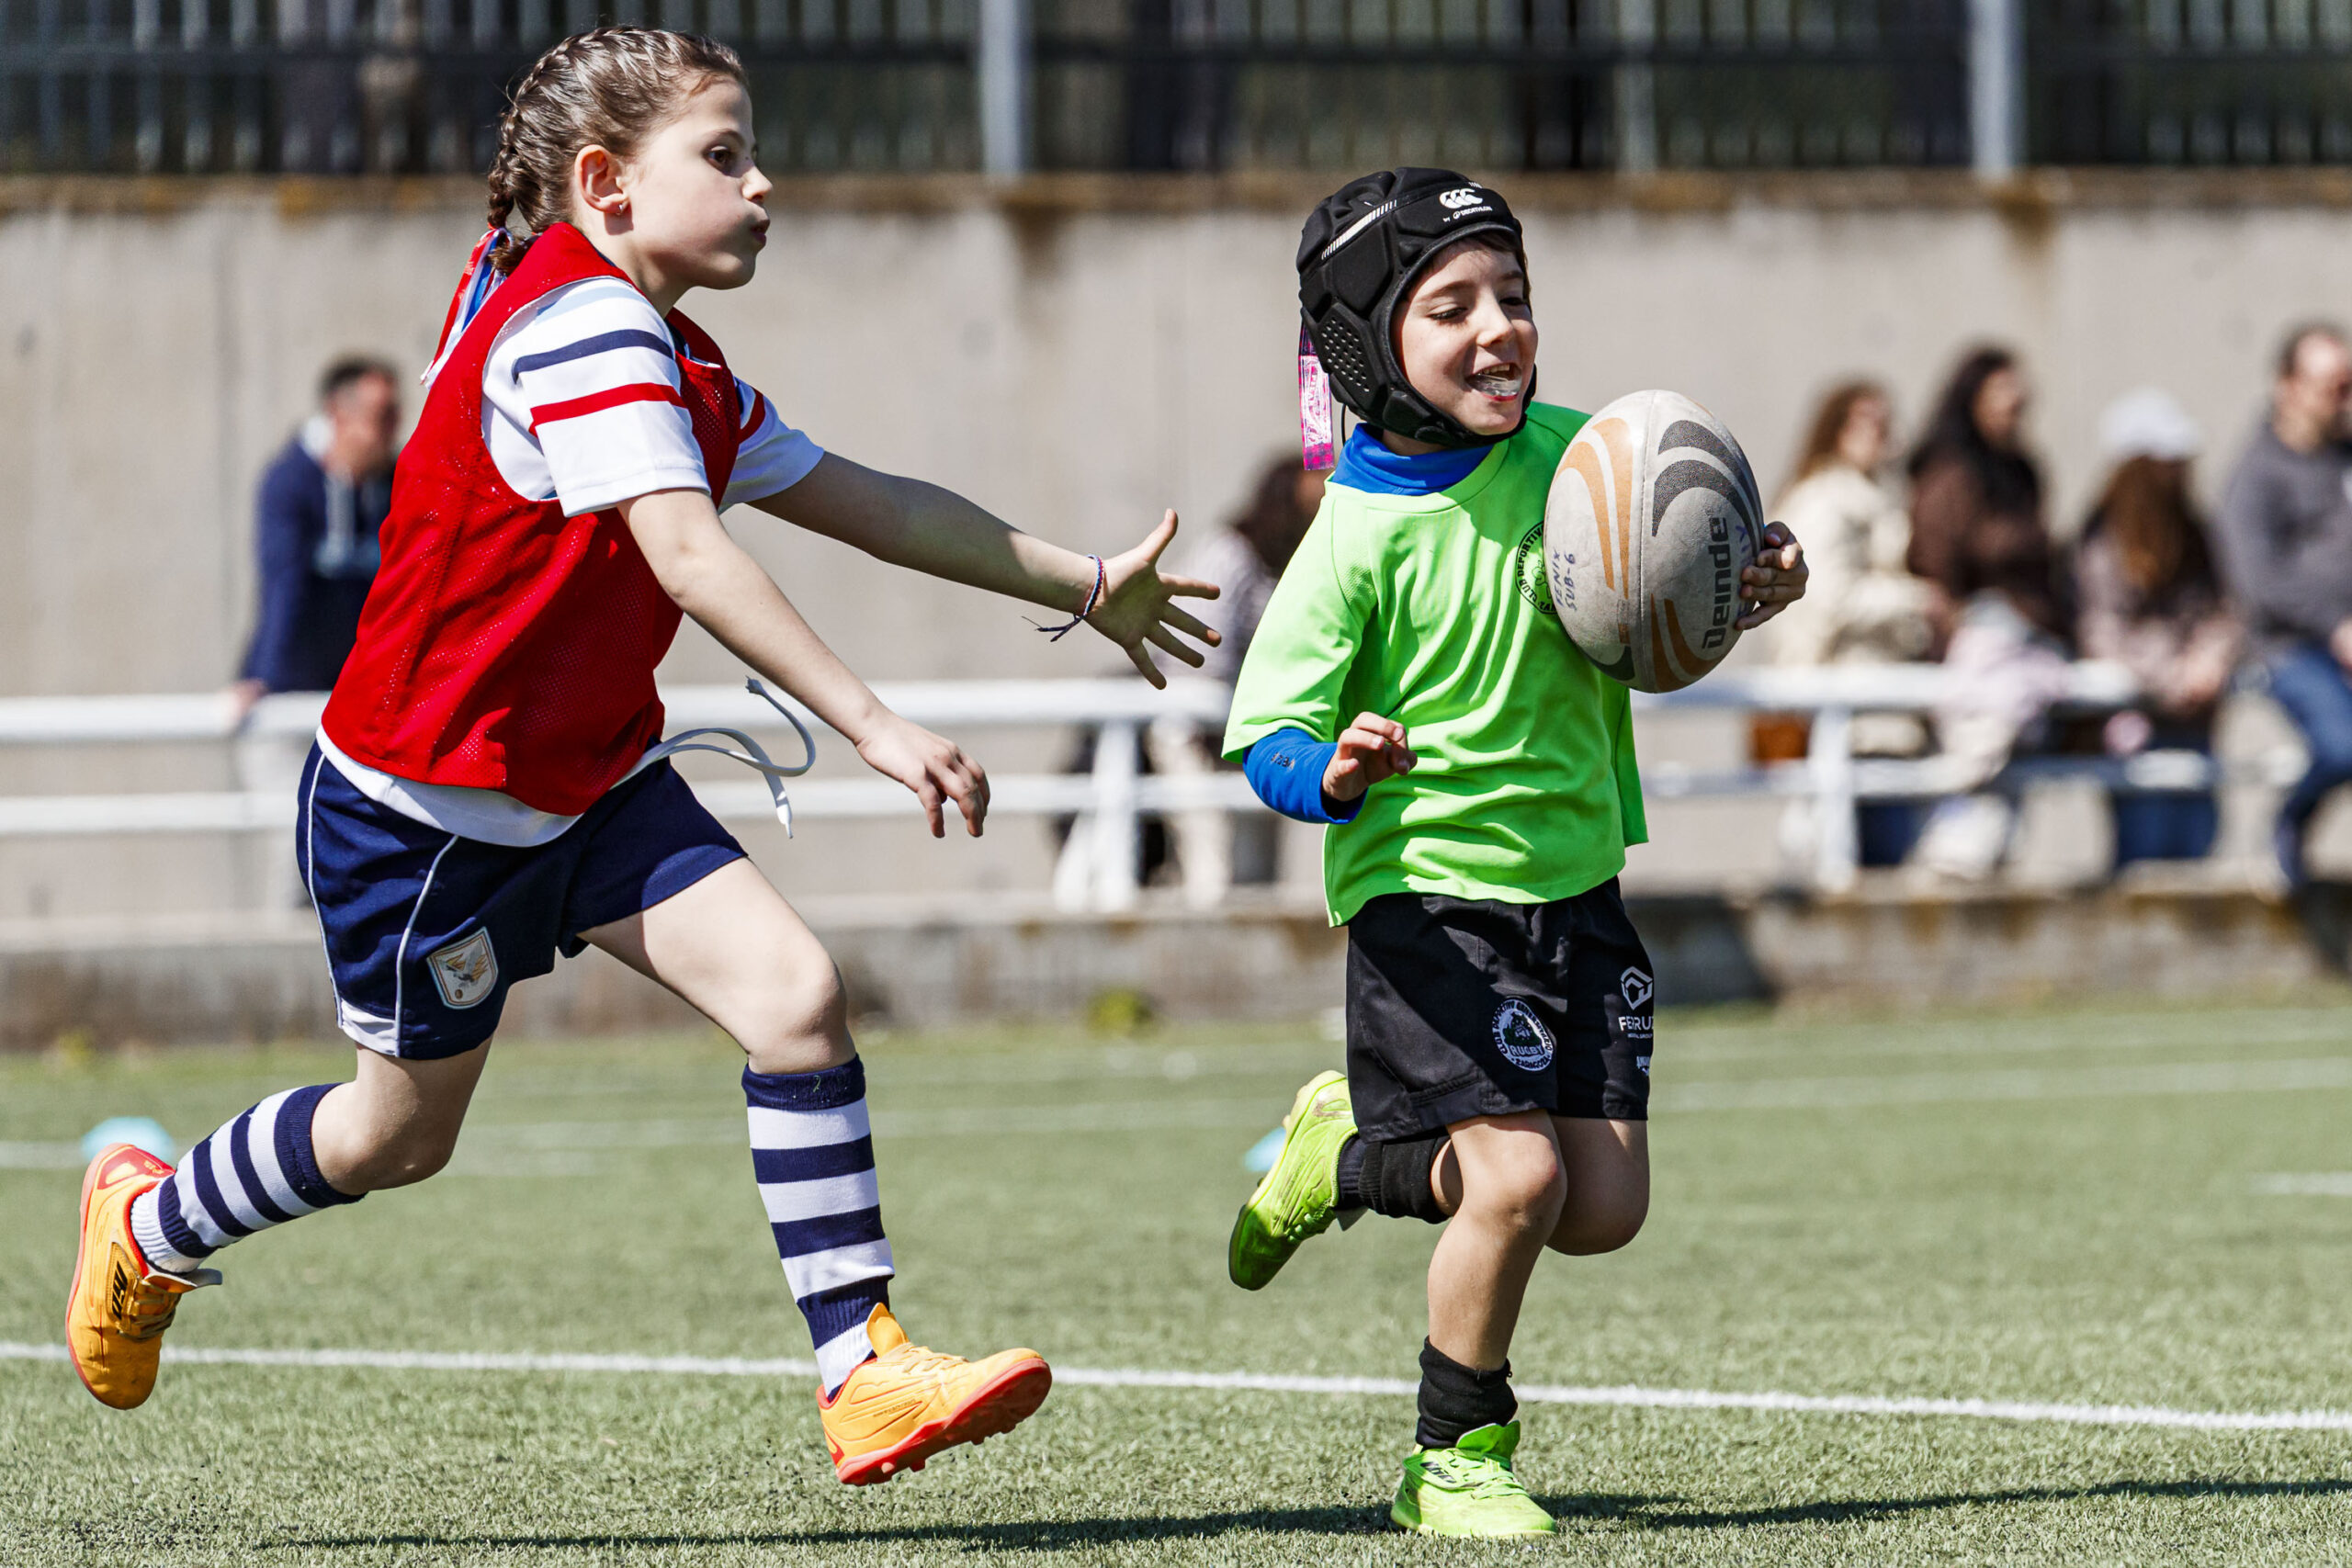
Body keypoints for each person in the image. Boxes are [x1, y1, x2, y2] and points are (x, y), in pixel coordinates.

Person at [66, 27, 1220, 1490]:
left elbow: (862, 497)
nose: (765, 186)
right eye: (725, 157)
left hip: (594, 780)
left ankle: (861, 1368)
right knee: (392, 1136)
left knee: (796, 993)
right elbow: (685, 550)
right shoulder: (585, 328)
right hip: (427, 819)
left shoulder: (656, 342)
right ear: (604, 185)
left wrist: (1080, 579)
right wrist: (874, 721)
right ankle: (149, 1226)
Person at [1217, 168, 1805, 1538]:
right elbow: (1267, 734)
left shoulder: (1589, 461)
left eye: (1515, 296)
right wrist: (1334, 766)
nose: (1500, 329)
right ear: (1369, 352)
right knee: (1519, 1179)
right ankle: (1456, 1447)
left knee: (1599, 1203)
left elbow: (1645, 641)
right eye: (1452, 307)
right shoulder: (1352, 536)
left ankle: (1342, 1154)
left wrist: (1739, 591)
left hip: (1576, 885)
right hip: (1426, 899)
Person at [1905, 346, 2072, 879]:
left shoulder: (2023, 472)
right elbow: (1936, 565)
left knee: (2008, 787)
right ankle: (1948, 862)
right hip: (1976, 647)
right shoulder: (1950, 475)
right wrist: (1957, 628)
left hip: (2033, 643)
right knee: (1976, 767)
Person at [1762, 380, 1934, 868]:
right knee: (1864, 861)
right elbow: (1828, 599)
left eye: (1885, 420)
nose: (1880, 432)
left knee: (1885, 864)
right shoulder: (1826, 501)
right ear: (1836, 427)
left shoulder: (1871, 497)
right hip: (1852, 716)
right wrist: (1919, 602)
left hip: (1878, 712)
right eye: (1866, 420)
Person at [1148, 455, 1328, 903]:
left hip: (1250, 733)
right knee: (1212, 864)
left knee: (1259, 873)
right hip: (1196, 734)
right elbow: (1200, 650)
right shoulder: (1229, 554)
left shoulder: (1283, 566)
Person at [2075, 389, 2241, 871]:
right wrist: (2172, 678)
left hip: (2194, 722)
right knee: (2146, 851)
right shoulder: (2102, 540)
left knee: (2197, 841)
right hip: (2136, 725)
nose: (2180, 470)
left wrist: (2210, 658)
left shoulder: (2194, 532)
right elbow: (2101, 630)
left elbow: (2223, 609)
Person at [2213, 323, 2352, 887]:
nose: (2345, 401)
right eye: (2333, 388)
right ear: (2288, 387)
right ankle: (2289, 824)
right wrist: (2336, 623)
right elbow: (2259, 580)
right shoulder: (2255, 475)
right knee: (2344, 745)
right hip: (2291, 648)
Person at [231, 356, 402, 714]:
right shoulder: (290, 482)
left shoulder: (399, 482)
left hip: (365, 697)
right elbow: (282, 582)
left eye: (395, 415)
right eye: (380, 416)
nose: (391, 431)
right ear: (338, 414)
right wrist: (263, 676)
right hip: (290, 689)